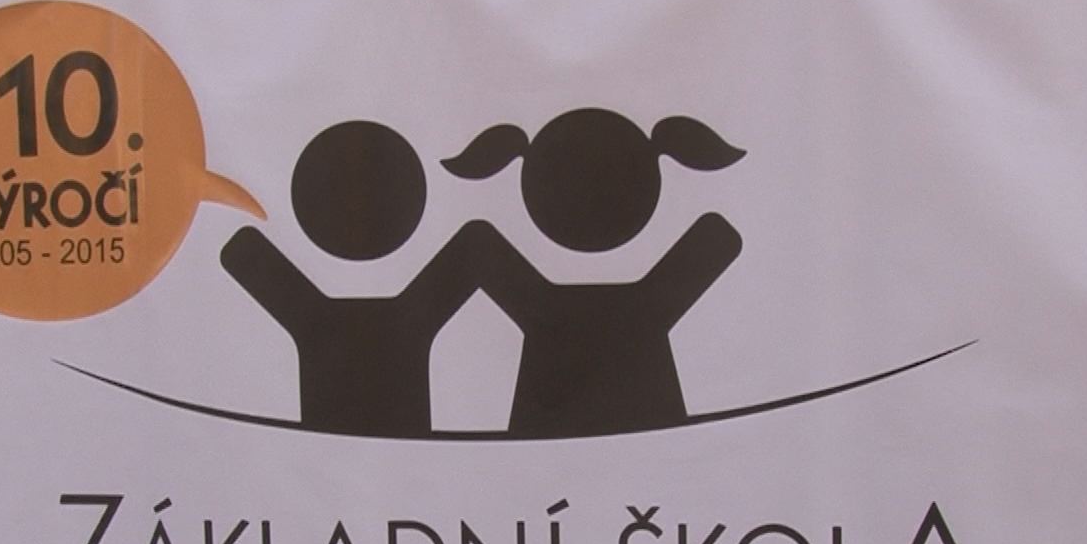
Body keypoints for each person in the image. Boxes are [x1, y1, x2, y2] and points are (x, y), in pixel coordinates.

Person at [442, 108, 745, 437]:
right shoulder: (647, 305)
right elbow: (720, 239)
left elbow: (476, 246)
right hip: (640, 440)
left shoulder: (542, 303)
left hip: (567, 437)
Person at [220, 120, 489, 437]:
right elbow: (477, 244)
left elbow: (240, 252)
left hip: (328, 457)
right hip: (338, 458)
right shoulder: (404, 314)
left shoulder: (314, 315)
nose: (356, 204)